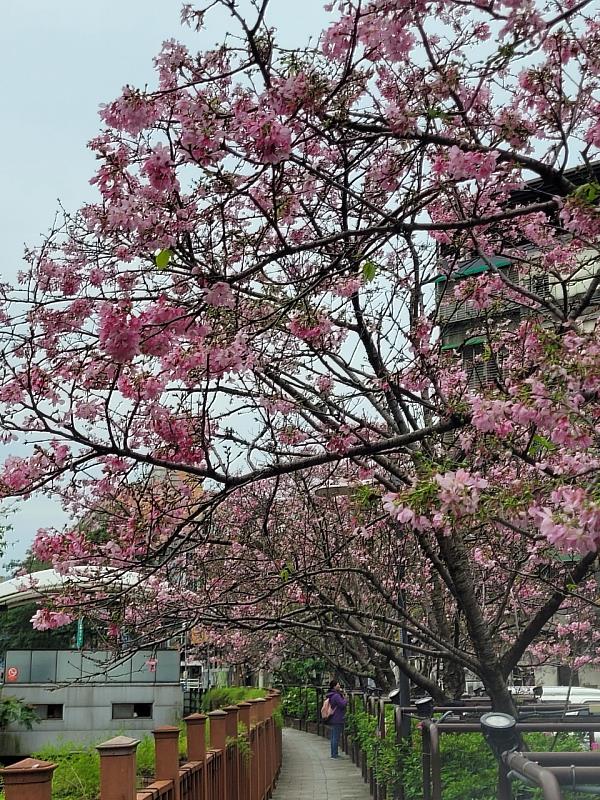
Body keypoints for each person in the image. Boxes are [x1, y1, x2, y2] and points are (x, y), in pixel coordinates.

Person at [326, 679, 348, 758]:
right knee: (335, 736)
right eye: (338, 684)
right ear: (334, 686)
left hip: (334, 717)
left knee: (333, 736)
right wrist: (345, 699)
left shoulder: (331, 694)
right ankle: (334, 754)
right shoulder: (336, 696)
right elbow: (342, 704)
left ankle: (333, 753)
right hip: (338, 718)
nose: (339, 686)